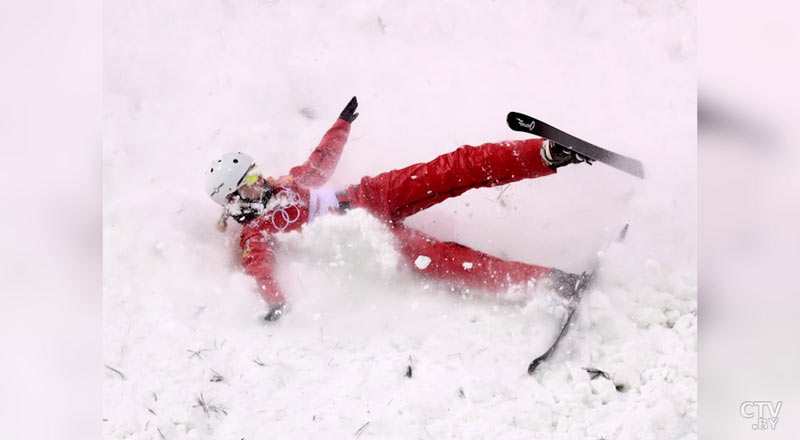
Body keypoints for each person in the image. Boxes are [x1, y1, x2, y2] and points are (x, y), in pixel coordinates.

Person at [204, 97, 589, 321]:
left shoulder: (288, 183)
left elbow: (321, 160)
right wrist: (275, 304)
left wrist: (341, 123)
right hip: (372, 238)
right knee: (448, 260)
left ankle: (548, 154)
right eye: (251, 182)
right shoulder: (257, 234)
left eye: (257, 173)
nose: (262, 180)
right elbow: (260, 270)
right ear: (235, 199)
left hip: (372, 195)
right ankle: (550, 281)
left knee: (453, 168)